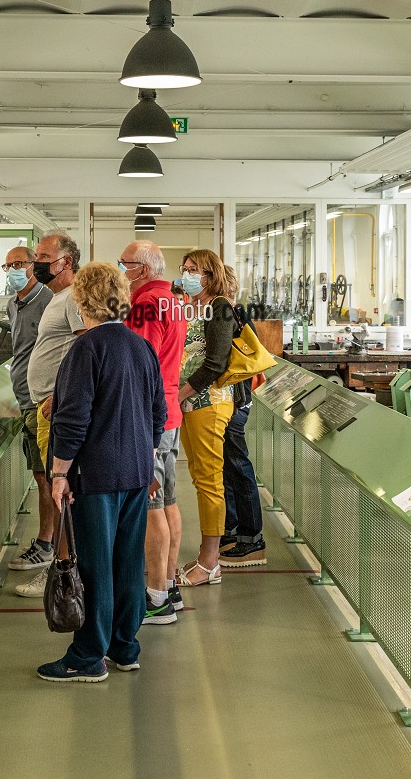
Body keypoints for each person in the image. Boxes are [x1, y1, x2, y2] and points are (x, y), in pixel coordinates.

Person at [36, 263, 165, 683]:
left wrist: (59, 474)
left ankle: (89, 655)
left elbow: (73, 419)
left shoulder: (86, 349)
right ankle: (125, 646)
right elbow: (157, 413)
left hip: (96, 476)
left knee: (94, 565)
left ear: (81, 299)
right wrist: (146, 460)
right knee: (128, 562)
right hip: (135, 471)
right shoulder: (139, 346)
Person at [119, 240, 188, 624]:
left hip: (150, 417)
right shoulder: (172, 300)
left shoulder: (145, 304)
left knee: (151, 507)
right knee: (170, 501)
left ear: (143, 269)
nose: (122, 271)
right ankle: (169, 584)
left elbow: (140, 363)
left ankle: (156, 597)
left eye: (125, 264)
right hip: (170, 411)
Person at [16, 230, 86, 599]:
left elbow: (86, 346)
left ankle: (63, 574)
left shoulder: (73, 298)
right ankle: (64, 567)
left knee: (60, 491)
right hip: (46, 407)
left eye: (43, 257)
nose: (36, 264)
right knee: (55, 488)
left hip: (54, 410)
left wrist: (60, 396)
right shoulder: (59, 298)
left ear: (66, 262)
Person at [175, 249, 235, 587]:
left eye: (193, 269)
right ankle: (204, 555)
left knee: (210, 481)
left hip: (209, 403)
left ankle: (211, 562)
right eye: (184, 269)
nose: (186, 274)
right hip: (188, 405)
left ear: (210, 275)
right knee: (200, 478)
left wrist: (180, 394)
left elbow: (215, 363)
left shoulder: (220, 308)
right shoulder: (191, 305)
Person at [1, 245, 55, 574]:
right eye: (8, 266)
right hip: (24, 399)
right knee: (40, 474)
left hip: (43, 403)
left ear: (33, 265)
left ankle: (49, 546)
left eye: (18, 263)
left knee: (49, 476)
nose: (12, 270)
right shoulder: (12, 304)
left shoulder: (49, 301)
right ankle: (49, 543)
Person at [219, 266, 266, 567]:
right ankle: (233, 528)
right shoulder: (229, 312)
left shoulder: (229, 314)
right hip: (232, 400)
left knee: (237, 465)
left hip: (236, 401)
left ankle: (252, 538)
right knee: (228, 468)